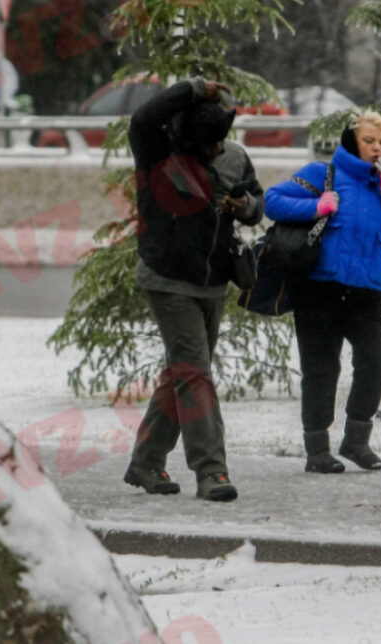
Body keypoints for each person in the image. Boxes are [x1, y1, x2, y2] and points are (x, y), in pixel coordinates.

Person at [123, 78, 265, 501]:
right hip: (167, 279)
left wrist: (247, 208)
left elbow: (257, 201)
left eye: (221, 141)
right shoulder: (156, 152)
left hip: (213, 282)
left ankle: (146, 461)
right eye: (208, 144)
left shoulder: (234, 155)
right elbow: (143, 117)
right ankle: (211, 471)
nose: (217, 150)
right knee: (194, 374)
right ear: (188, 136)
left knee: (183, 373)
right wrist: (193, 88)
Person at [264, 110, 381, 473]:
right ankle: (317, 451)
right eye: (369, 141)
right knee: (321, 371)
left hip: (366, 295)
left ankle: (356, 442)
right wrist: (315, 206)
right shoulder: (323, 174)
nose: (376, 148)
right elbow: (273, 200)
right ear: (352, 142)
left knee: (374, 363)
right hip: (320, 289)